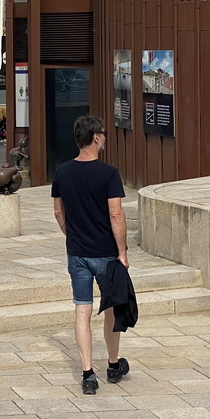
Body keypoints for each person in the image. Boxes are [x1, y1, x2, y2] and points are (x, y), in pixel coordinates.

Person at [51, 114, 130, 396]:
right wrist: (122, 251)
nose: (105, 137)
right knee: (110, 308)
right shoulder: (109, 174)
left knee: (82, 309)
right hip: (106, 253)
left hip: (78, 252)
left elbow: (59, 211)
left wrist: (70, 235)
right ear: (96, 137)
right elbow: (116, 214)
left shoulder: (62, 172)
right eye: (104, 133)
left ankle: (87, 373)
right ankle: (112, 364)